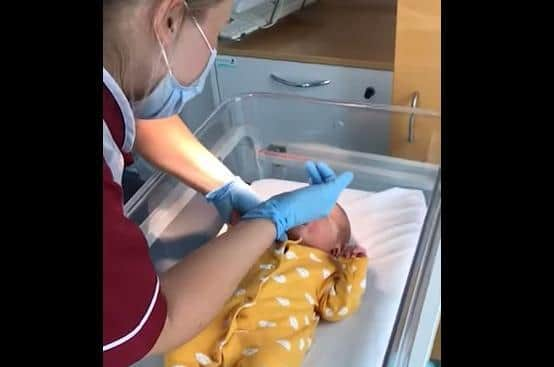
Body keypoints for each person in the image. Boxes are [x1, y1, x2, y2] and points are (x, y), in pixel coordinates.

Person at [102, 0, 354, 365]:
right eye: (217, 32)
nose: (214, 51)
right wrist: (267, 222)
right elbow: (155, 323)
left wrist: (223, 185)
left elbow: (132, 107)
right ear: (169, 19)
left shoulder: (321, 267)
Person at [165, 204, 368, 367]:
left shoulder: (327, 268)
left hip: (272, 336)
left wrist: (354, 267)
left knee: (272, 361)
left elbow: (338, 307)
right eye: (307, 206)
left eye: (321, 211)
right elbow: (230, 256)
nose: (309, 210)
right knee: (183, 345)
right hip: (220, 318)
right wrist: (240, 229)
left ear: (336, 248)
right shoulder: (265, 239)